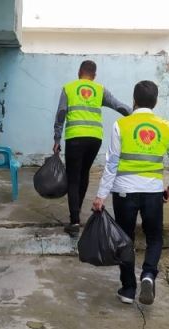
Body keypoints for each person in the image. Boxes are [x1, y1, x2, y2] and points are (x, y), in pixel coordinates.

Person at [91, 80, 169, 305]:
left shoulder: (121, 125)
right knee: (154, 237)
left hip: (124, 192)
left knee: (125, 239)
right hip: (153, 191)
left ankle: (128, 289)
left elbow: (111, 164)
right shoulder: (166, 126)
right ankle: (148, 274)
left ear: (134, 100)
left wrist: (101, 195)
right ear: (155, 101)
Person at [53, 60, 131, 236]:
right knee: (84, 174)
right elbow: (119, 106)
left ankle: (74, 221)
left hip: (75, 137)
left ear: (79, 72)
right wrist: (138, 115)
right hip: (95, 139)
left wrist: (57, 138)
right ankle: (77, 210)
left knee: (73, 178)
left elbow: (61, 113)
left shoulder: (69, 88)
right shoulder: (100, 90)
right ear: (94, 75)